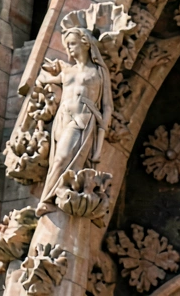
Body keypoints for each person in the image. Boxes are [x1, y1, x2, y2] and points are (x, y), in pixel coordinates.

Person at [35, 19, 113, 215]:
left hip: (83, 120)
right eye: (67, 45)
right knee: (57, 161)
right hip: (62, 119)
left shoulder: (98, 71)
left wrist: (101, 136)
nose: (69, 48)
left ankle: (47, 199)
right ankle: (56, 194)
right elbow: (43, 81)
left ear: (85, 43)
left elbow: (107, 106)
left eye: (72, 43)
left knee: (62, 159)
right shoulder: (67, 71)